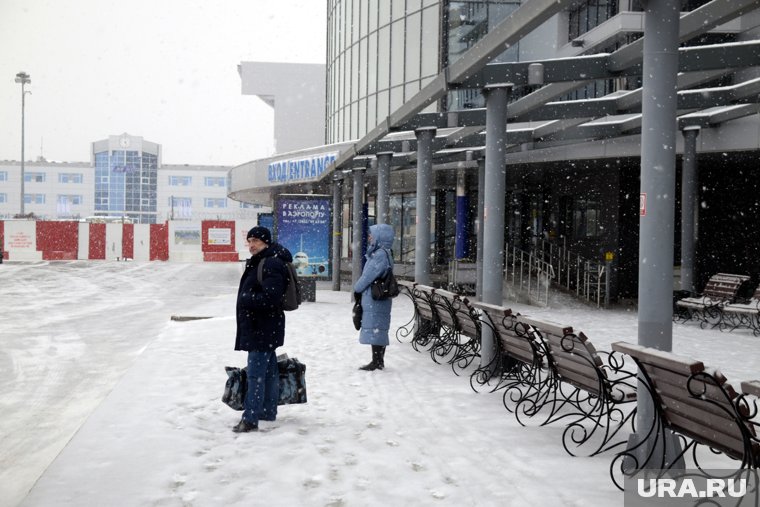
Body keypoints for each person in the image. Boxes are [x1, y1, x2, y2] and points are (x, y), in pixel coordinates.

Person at [233, 226, 293, 433]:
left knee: (256, 374)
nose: (251, 245)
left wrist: (246, 298)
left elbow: (271, 297)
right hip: (264, 327)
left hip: (262, 327)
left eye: (256, 241)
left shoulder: (271, 263)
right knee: (268, 372)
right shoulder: (263, 260)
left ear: (266, 242)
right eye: (249, 241)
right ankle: (267, 410)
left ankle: (250, 418)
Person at [353, 223, 395, 371]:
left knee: (376, 328)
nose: (369, 237)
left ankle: (376, 361)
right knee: (378, 328)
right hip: (380, 298)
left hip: (375, 298)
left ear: (379, 237)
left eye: (372, 234)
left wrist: (357, 288)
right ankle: (378, 360)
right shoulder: (385, 252)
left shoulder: (379, 255)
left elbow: (367, 276)